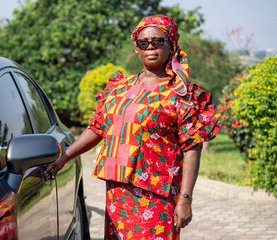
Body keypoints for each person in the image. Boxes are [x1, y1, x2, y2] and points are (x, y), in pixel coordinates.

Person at [46, 14, 222, 240]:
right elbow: (98, 127)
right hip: (118, 193)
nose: (150, 47)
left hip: (158, 195)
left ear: (172, 44)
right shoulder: (119, 87)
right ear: (137, 48)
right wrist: (65, 156)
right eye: (143, 43)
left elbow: (192, 148)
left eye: (158, 41)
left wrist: (185, 198)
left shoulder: (182, 94)